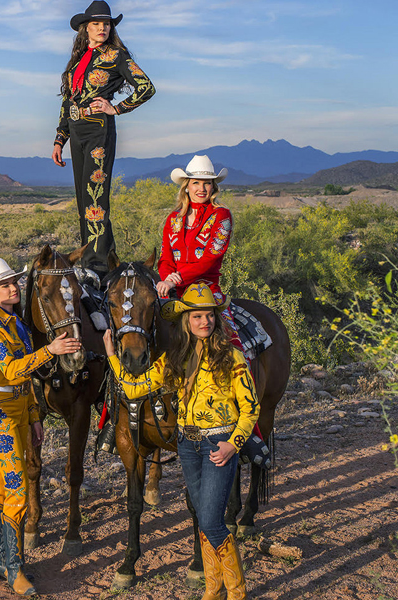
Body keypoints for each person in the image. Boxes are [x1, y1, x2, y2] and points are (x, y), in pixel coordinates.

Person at [103, 283, 258, 600]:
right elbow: (136, 388)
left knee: (213, 521)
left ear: (216, 319)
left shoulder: (232, 357)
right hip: (188, 446)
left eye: (209, 315)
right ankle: (213, 589)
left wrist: (233, 444)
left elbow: (251, 407)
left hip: (219, 443)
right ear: (186, 321)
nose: (204, 322)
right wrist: (110, 356)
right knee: (203, 518)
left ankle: (237, 591)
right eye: (197, 316)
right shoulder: (174, 359)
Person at [0, 258, 81, 596]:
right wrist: (51, 349)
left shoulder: (17, 325)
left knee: (2, 486)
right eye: (5, 285)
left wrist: (35, 416)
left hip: (19, 408)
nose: (13, 287)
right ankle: (15, 570)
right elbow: (11, 369)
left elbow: (27, 378)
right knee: (17, 485)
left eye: (14, 282)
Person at [51, 0, 155, 279]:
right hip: (76, 129)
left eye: (106, 23)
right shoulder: (79, 58)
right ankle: (94, 256)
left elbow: (146, 87)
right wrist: (60, 138)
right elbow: (67, 99)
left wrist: (117, 108)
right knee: (83, 197)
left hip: (99, 128)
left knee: (96, 196)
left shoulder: (117, 56)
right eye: (96, 23)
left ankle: (98, 264)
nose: (102, 28)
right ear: (85, 28)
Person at [156, 154, 242, 348]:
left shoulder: (221, 215)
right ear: (186, 186)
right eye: (196, 183)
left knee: (231, 345)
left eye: (207, 183)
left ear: (213, 187)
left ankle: (243, 375)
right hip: (174, 291)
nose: (201, 189)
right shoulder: (173, 219)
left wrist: (174, 279)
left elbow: (210, 259)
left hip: (207, 290)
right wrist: (167, 279)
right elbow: (165, 258)